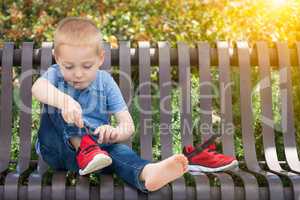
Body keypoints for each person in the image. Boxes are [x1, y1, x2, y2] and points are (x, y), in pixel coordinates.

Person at [32, 17, 237, 193]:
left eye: (87, 66)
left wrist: (114, 132)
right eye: (69, 66)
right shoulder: (55, 75)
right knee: (56, 102)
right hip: (57, 150)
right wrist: (66, 101)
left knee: (120, 152)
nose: (78, 73)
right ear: (58, 59)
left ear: (100, 58)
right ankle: (83, 145)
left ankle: (148, 173)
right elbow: (38, 88)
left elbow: (127, 125)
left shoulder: (105, 82)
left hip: (97, 156)